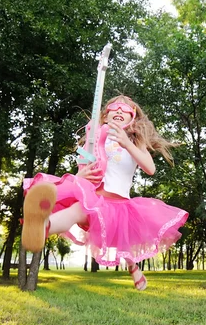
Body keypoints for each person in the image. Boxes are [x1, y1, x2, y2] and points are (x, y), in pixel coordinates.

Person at [21, 95, 188, 290]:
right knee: (76, 211)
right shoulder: (96, 137)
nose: (119, 110)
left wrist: (127, 143)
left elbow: (150, 169)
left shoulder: (135, 141)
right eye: (114, 107)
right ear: (105, 115)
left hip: (120, 205)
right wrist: (81, 174)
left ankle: (133, 266)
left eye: (126, 109)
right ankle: (41, 226)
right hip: (95, 198)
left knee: (121, 239)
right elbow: (85, 166)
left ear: (133, 117)